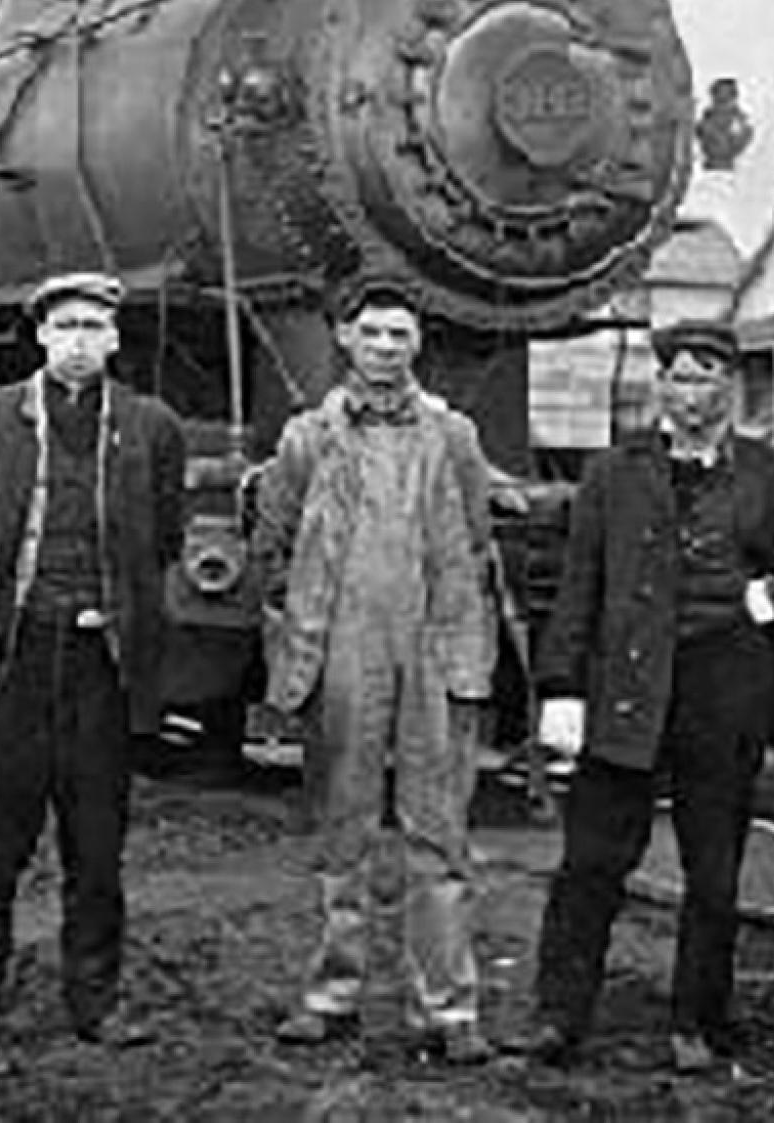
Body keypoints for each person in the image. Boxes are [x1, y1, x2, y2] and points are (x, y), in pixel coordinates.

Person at [522, 319, 774, 1073]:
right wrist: (561, 688)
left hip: (724, 693)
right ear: (661, 384)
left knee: (713, 870)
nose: (693, 393)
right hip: (626, 692)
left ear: (731, 387)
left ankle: (698, 1021)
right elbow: (579, 585)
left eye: (709, 377)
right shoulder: (613, 473)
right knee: (592, 862)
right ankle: (559, 1017)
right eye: (681, 376)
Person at [0, 271, 187, 1067]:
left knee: (96, 850)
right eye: (65, 325)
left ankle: (95, 1003)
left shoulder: (151, 426)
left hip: (100, 665)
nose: (79, 340)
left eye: (93, 326)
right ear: (40, 334)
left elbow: (164, 538)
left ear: (115, 337)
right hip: (15, 658)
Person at [248, 277, 497, 1065]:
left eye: (400, 334)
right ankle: (332, 996)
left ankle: (447, 1008)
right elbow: (272, 541)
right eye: (372, 332)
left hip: (434, 647)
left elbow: (475, 537)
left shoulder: (453, 436)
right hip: (342, 649)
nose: (386, 347)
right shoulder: (307, 438)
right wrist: (302, 640)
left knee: (440, 835)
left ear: (418, 343)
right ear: (345, 338)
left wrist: (455, 639)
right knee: (342, 830)